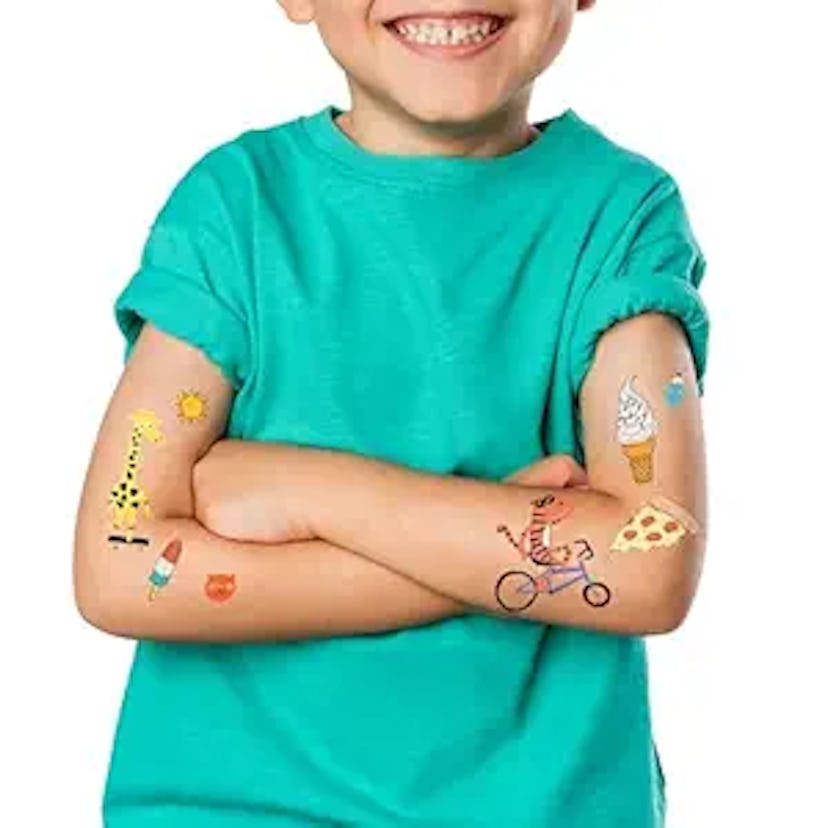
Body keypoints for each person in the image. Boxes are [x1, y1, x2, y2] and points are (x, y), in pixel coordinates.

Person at [73, 1, 709, 825]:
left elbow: (647, 564)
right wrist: (490, 544)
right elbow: (122, 566)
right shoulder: (236, 211)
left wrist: (309, 493)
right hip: (232, 806)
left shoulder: (620, 216)